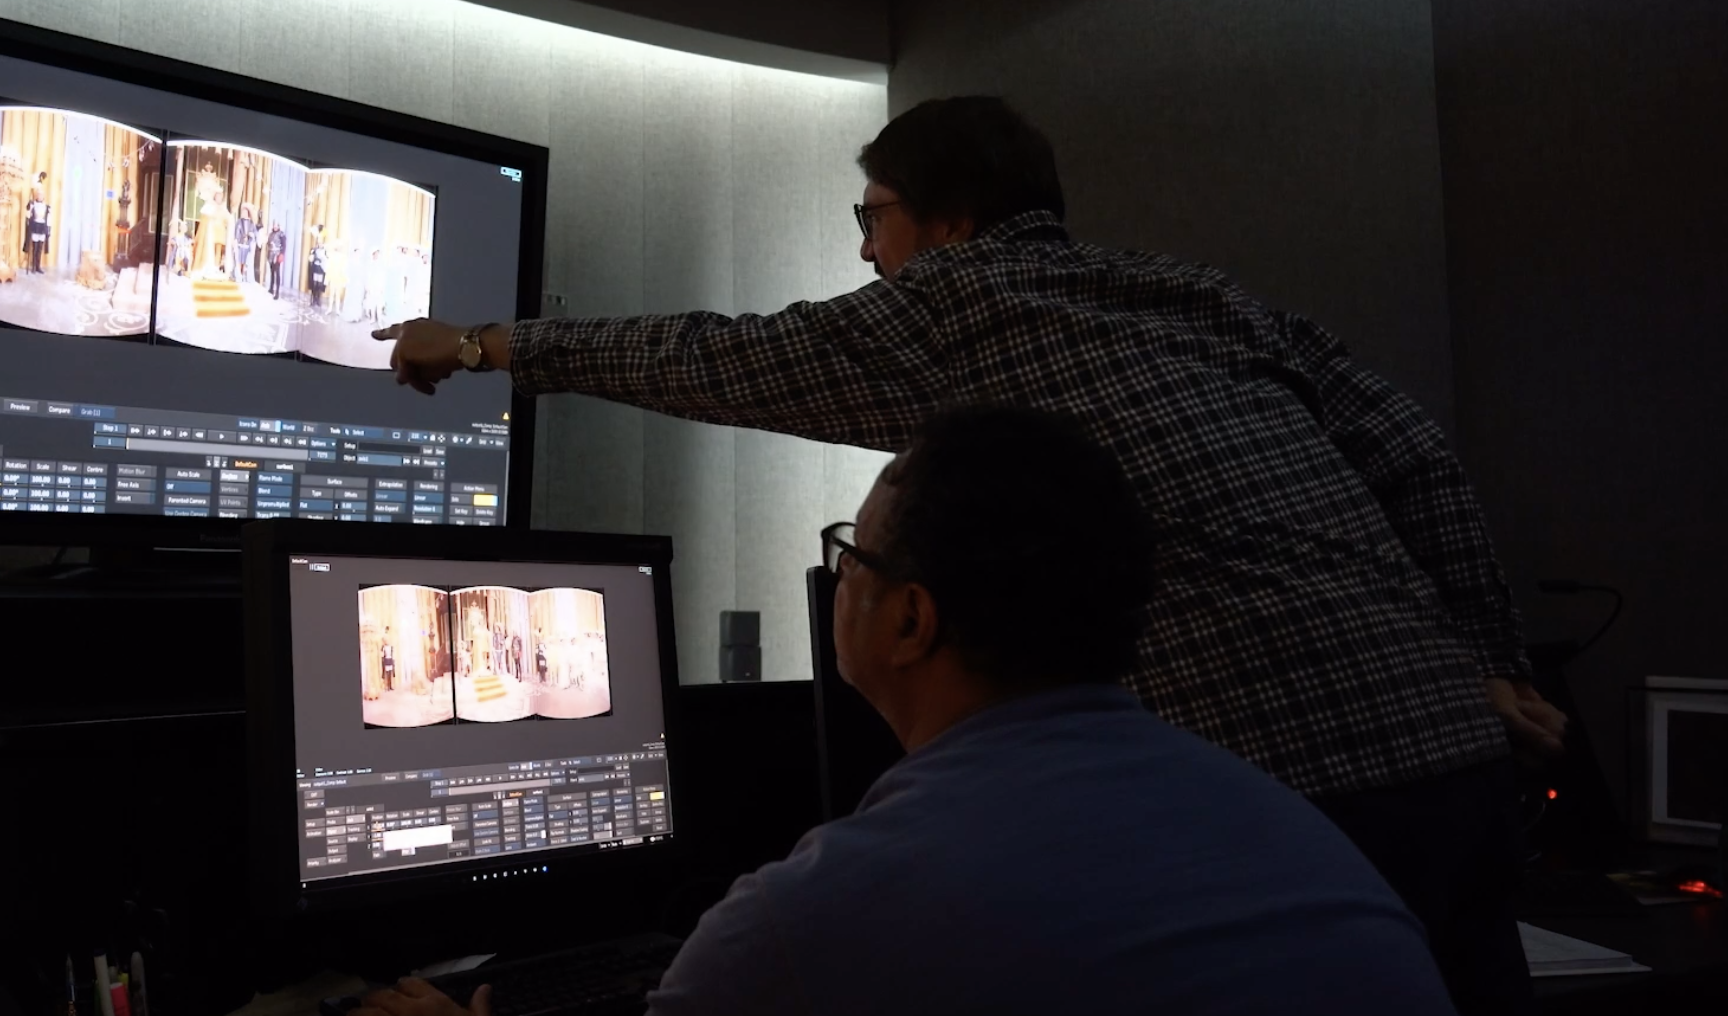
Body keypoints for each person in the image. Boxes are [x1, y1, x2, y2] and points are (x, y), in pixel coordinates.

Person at [375, 96, 1559, 1015]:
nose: (867, 254)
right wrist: (1488, 655)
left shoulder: (952, 302)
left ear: (947, 224)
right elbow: (1410, 448)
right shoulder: (1197, 293)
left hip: (1277, 781)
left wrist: (482, 342)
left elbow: (709, 355)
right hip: (1453, 746)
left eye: (874, 218)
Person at [348, 405, 1455, 1016]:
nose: (842, 579)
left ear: (910, 619)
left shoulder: (811, 921)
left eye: (852, 554)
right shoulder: (1295, 833)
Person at [23, 174, 52, 275]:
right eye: (38, 194)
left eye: (41, 195)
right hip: (35, 227)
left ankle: (38, 266)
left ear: (43, 196)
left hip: (42, 228)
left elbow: (48, 219)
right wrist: (29, 208)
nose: (40, 196)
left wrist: (48, 229)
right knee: (34, 248)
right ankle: (33, 267)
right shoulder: (32, 204)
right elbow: (28, 216)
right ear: (36, 196)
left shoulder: (47, 207)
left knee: (40, 248)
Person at [380, 627, 396, 693]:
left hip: (390, 659)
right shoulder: (383, 647)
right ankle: (386, 686)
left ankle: (390, 686)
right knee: (386, 673)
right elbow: (382, 654)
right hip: (386, 660)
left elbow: (392, 654)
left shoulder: (391, 647)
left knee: (390, 673)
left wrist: (393, 660)